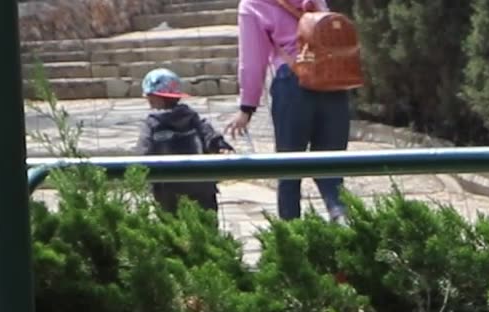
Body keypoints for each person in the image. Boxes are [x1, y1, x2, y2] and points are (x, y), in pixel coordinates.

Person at [226, 0, 352, 224]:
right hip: (333, 80)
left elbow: (252, 61)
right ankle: (343, 223)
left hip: (293, 82)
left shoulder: (253, 4)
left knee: (289, 168)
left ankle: (292, 239)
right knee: (332, 167)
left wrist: (247, 107)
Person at [134, 68, 234, 215]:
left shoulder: (151, 125)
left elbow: (143, 153)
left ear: (156, 97)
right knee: (205, 226)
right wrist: (220, 146)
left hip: (167, 189)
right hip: (201, 186)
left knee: (172, 229)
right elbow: (210, 136)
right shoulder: (193, 119)